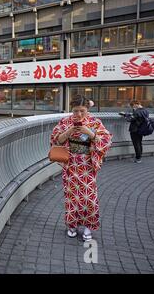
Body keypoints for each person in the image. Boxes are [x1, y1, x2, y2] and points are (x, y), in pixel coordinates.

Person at [50, 95, 112, 241]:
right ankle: (72, 225)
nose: (78, 114)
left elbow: (106, 140)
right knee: (71, 197)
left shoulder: (95, 122)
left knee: (89, 198)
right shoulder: (65, 122)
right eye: (75, 111)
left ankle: (88, 227)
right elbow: (56, 139)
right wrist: (69, 131)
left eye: (82, 111)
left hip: (87, 166)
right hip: (70, 165)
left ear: (87, 109)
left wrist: (89, 132)